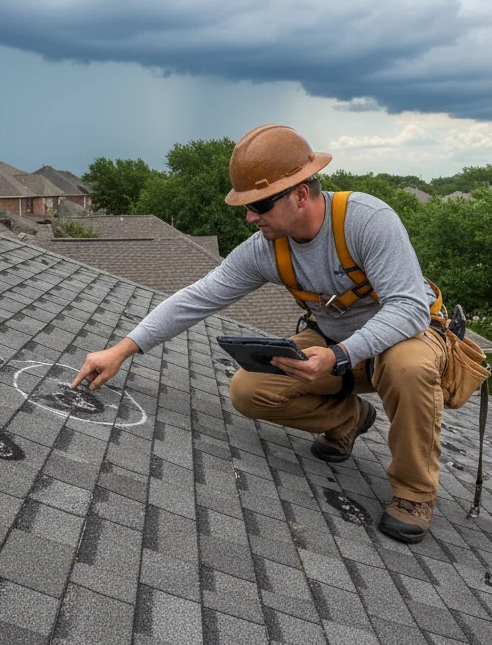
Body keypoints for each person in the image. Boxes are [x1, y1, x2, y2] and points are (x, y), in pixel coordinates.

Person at [71, 124, 446, 543]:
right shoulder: (266, 248)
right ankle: (350, 418)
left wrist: (341, 354)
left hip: (404, 339)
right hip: (337, 347)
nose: (250, 217)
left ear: (301, 194)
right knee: (249, 391)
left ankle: (414, 492)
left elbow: (410, 307)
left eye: (260, 205)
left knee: (407, 367)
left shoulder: (367, 221)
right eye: (246, 207)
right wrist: (122, 350)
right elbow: (198, 297)